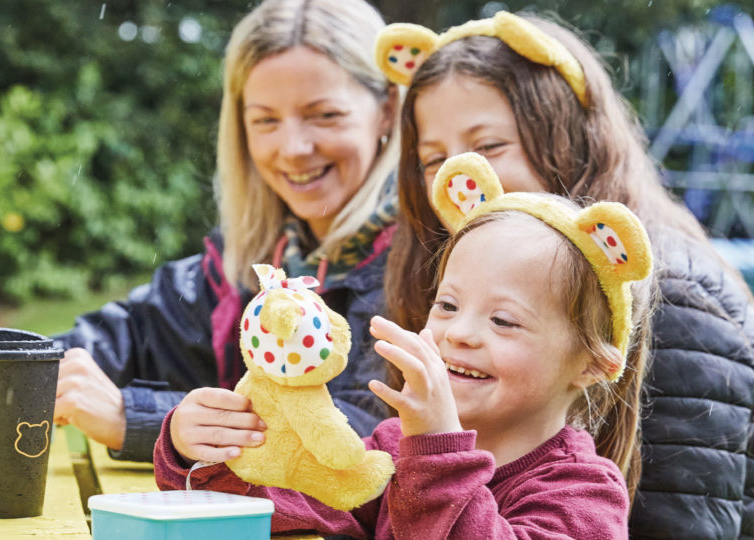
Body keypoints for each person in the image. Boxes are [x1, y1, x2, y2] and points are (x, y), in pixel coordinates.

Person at [380, 11, 754, 539]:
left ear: (567, 136)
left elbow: (680, 523)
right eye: (433, 158)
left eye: (488, 146)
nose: (461, 175)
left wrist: (435, 461)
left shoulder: (670, 297)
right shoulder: (458, 273)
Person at [155, 153, 655, 538]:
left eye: (503, 320)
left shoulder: (584, 495)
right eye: (448, 306)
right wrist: (207, 457)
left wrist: (437, 451)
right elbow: (294, 507)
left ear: (591, 365)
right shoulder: (395, 447)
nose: (458, 333)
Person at [51, 0, 401, 462]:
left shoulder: (430, 262)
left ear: (388, 111)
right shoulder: (249, 264)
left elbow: (356, 445)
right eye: (265, 121)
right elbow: (129, 335)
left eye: (324, 115)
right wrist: (28, 366)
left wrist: (136, 420)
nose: (293, 148)